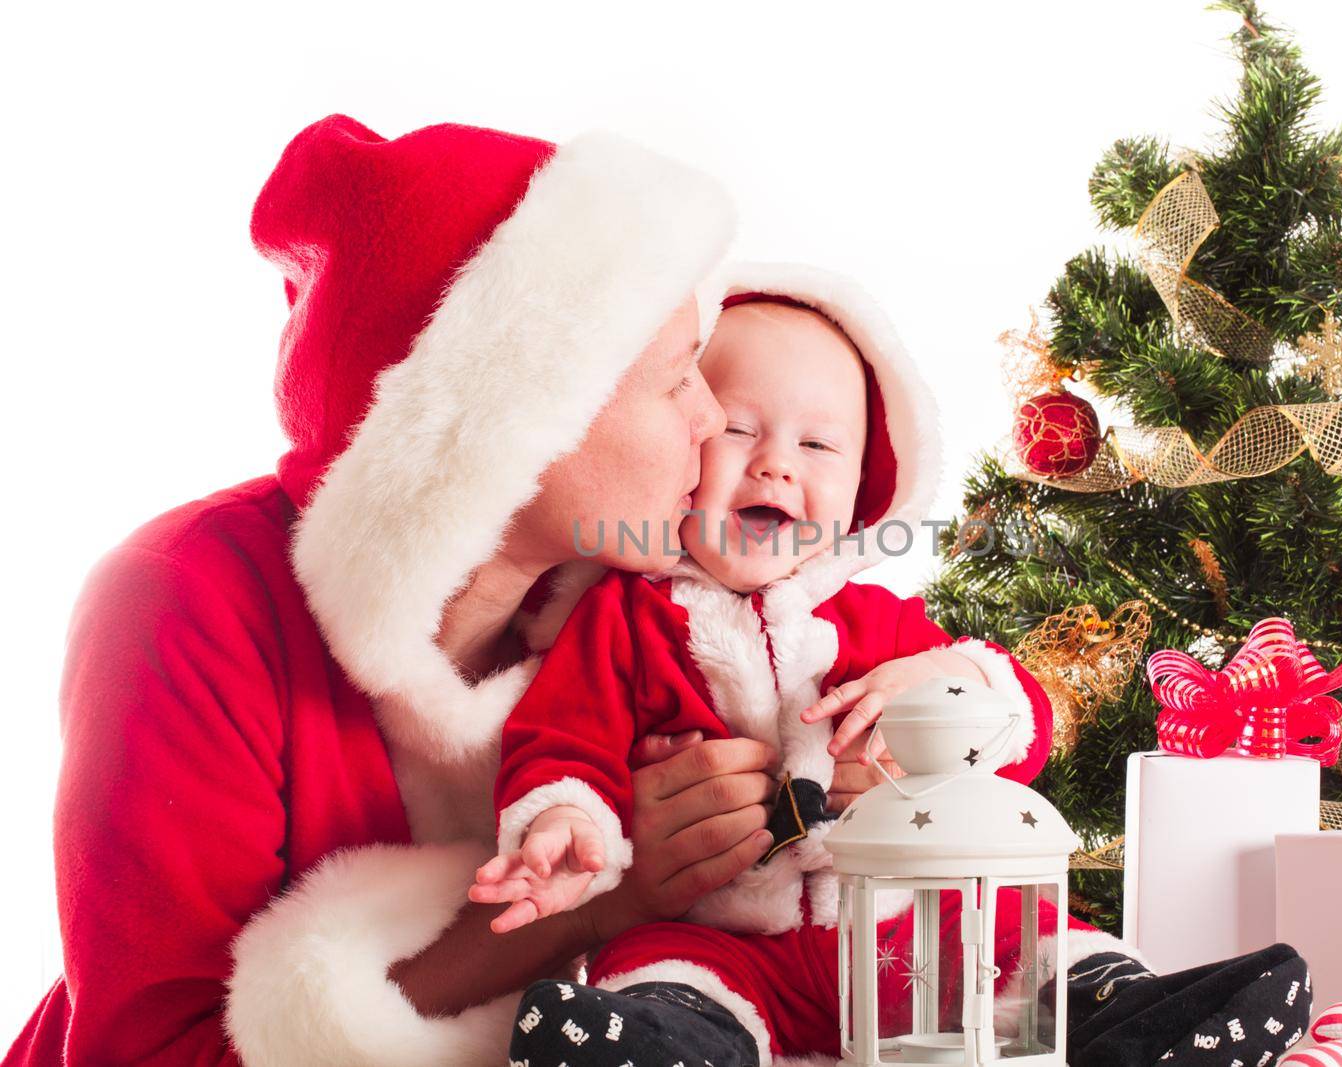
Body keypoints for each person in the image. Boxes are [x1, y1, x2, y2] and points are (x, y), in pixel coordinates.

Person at [3, 116, 890, 1067]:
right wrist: (618, 886)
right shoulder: (180, 601)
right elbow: (158, 1053)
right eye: (679, 378)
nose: (713, 421)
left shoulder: (642, 601)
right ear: (518, 412)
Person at [475, 271, 1066, 1065]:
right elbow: (561, 741)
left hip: (902, 939)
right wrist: (565, 826)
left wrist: (950, 685)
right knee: (654, 973)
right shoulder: (624, 618)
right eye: (739, 430)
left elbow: (1024, 725)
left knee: (1019, 934)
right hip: (724, 943)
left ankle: (1121, 1004)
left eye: (818, 444)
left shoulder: (878, 621)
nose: (778, 466)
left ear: (863, 492)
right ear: (683, 448)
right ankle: (675, 1041)